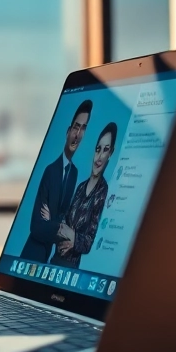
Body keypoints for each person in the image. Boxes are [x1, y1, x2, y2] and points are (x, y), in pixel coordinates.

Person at [20, 99, 91, 263]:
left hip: (48, 255)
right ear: (68, 131)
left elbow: (64, 216)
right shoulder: (50, 171)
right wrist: (59, 227)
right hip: (32, 253)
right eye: (76, 127)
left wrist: (54, 222)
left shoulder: (74, 173)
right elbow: (37, 226)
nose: (78, 134)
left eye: (83, 129)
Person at [52, 121, 117, 268]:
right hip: (55, 259)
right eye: (97, 149)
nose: (99, 156)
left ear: (110, 153)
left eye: (105, 150)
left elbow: (89, 241)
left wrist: (73, 240)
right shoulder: (81, 187)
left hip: (70, 267)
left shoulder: (103, 191)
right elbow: (64, 221)